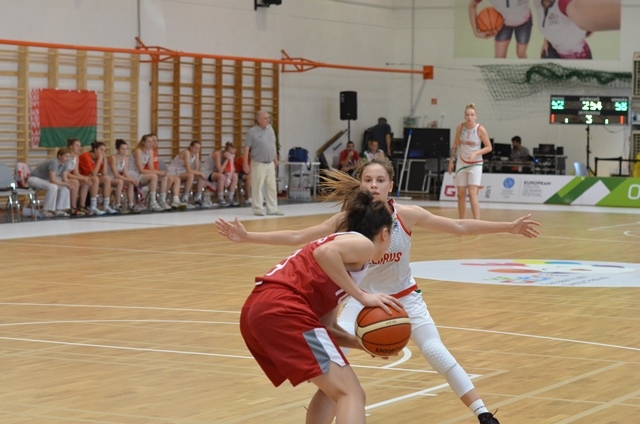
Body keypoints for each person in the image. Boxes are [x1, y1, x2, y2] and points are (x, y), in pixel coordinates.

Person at [216, 158, 540, 424]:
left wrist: (508, 227)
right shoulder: (353, 231)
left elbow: (458, 226)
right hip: (356, 300)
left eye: (380, 180)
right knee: (348, 390)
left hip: (393, 297)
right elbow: (306, 241)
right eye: (368, 180)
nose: (373, 185)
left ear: (390, 185)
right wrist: (250, 237)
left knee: (413, 357)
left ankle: (482, 412)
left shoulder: (403, 217)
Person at [239, 188, 402, 424]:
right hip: (284, 308)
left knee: (334, 392)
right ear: (385, 233)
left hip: (261, 309)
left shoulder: (344, 258)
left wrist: (367, 345)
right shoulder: (363, 244)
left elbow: (326, 328)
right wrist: (362, 296)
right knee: (351, 394)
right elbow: (324, 253)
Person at [448, 103, 492, 220]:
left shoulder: (480, 129)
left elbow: (489, 147)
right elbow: (455, 144)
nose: (469, 117)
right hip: (462, 162)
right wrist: (451, 160)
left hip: (475, 164)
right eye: (467, 115)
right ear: (464, 116)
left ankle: (477, 222)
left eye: (472, 115)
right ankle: (462, 222)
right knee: (460, 194)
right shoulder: (460, 127)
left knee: (472, 194)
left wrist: (475, 153)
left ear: (475, 116)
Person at [534, 0, 620, 59]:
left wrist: (624, 12)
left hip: (578, 56)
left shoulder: (563, 3)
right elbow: (547, 21)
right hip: (554, 51)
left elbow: (577, 9)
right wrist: (546, 40)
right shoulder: (537, 2)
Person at [243, 110, 283, 216]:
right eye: (265, 118)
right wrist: (245, 163)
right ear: (259, 120)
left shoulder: (270, 129)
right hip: (258, 163)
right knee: (257, 187)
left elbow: (273, 144)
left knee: (271, 187)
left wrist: (275, 158)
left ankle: (272, 209)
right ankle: (258, 209)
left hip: (270, 163)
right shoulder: (252, 132)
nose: (268, 120)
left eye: (268, 118)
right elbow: (246, 148)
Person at [468, 0, 532, 58]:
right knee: (499, 57)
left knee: (521, 54)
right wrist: (475, 32)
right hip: (503, 24)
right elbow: (472, 6)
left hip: (524, 23)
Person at [27, 147, 76, 218]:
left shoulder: (66, 163)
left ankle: (59, 209)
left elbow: (65, 178)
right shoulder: (54, 162)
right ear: (59, 156)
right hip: (34, 179)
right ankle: (46, 210)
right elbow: (52, 180)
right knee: (53, 186)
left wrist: (70, 184)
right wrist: (67, 183)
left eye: (69, 157)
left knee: (65, 187)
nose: (68, 158)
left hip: (45, 180)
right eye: (66, 156)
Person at [130, 134, 172, 212]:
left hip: (140, 174)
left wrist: (160, 173)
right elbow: (141, 170)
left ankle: (162, 200)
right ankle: (152, 202)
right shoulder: (138, 151)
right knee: (154, 176)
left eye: (152, 142)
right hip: (133, 173)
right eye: (148, 142)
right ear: (143, 142)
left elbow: (151, 168)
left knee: (164, 177)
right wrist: (158, 172)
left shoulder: (150, 152)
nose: (151, 144)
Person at [78, 141, 120, 215]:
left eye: (104, 151)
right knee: (96, 179)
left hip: (89, 177)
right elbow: (93, 174)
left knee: (107, 178)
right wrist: (100, 159)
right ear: (95, 149)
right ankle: (93, 206)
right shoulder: (86, 156)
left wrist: (105, 160)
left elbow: (104, 173)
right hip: (81, 177)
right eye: (101, 150)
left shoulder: (97, 158)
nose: (103, 152)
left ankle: (106, 205)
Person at [167, 140, 207, 209]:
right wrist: (200, 172)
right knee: (191, 175)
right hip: (173, 171)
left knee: (200, 177)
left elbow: (196, 169)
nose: (197, 150)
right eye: (195, 148)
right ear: (190, 147)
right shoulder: (186, 152)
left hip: (181, 172)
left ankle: (198, 198)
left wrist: (199, 172)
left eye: (199, 148)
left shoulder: (196, 154)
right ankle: (184, 198)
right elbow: (189, 170)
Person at [66, 137, 98, 216]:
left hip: (70, 176)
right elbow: (66, 174)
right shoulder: (67, 156)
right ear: (71, 147)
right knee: (76, 182)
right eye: (77, 146)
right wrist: (83, 178)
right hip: (62, 176)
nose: (79, 148)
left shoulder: (76, 157)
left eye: (80, 146)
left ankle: (82, 206)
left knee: (85, 182)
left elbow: (76, 173)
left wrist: (85, 178)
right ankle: (73, 207)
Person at [107, 139, 140, 213]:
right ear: (118, 149)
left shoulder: (126, 159)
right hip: (109, 177)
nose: (125, 151)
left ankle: (131, 205)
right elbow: (116, 175)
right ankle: (117, 205)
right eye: (122, 149)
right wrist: (130, 179)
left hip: (116, 178)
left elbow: (125, 173)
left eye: (126, 149)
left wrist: (132, 180)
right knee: (120, 182)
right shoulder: (113, 158)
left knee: (130, 183)